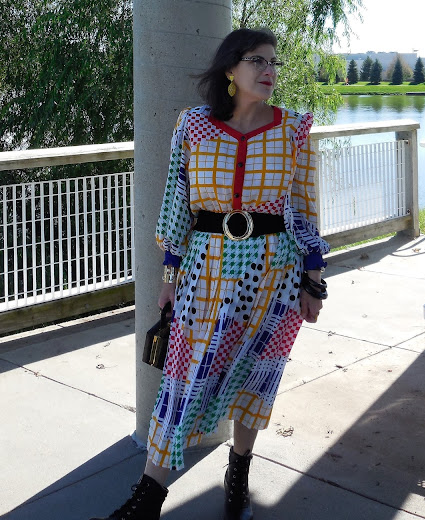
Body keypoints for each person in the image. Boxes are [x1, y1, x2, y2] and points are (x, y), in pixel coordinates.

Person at [89, 27, 329, 520]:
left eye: (274, 63)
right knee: (181, 380)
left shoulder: (293, 129)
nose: (269, 71)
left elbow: (305, 210)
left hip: (275, 276)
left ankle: (238, 473)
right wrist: (169, 277)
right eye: (258, 61)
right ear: (230, 69)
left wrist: (313, 280)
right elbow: (177, 201)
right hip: (205, 271)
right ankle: (148, 497)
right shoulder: (194, 125)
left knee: (256, 377)